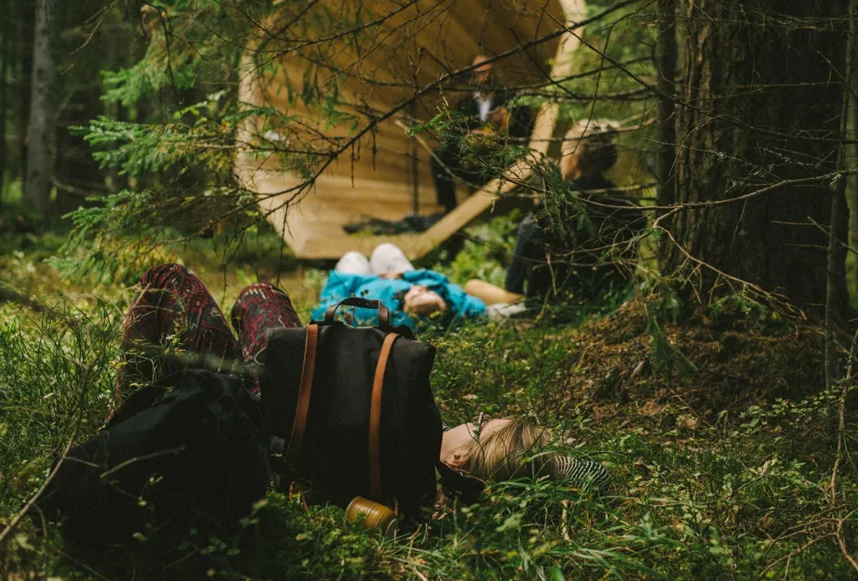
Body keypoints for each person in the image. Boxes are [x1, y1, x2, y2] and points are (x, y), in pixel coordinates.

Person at [114, 264, 606, 490]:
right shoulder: (420, 470)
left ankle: (121, 428)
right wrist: (553, 459)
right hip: (286, 384)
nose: (469, 418)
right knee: (260, 294)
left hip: (249, 406)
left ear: (458, 460)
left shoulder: (416, 462)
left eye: (478, 422)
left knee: (169, 280)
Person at [505, 119, 645, 302]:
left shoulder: (549, 211)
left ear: (575, 155)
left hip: (550, 309)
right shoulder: (628, 207)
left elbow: (512, 284)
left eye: (563, 150)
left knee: (473, 286)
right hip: (610, 301)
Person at [311, 242, 522, 329]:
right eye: (424, 290)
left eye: (417, 293)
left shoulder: (375, 314)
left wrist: (354, 285)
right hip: (394, 277)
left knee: (353, 257)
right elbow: (443, 283)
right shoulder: (454, 304)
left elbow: (326, 309)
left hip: (357, 284)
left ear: (407, 310)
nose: (420, 288)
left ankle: (359, 265)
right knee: (384, 249)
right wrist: (406, 276)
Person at [431, 52, 534, 213]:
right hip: (473, 154)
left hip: (502, 152)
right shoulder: (466, 104)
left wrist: (507, 123)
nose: (484, 77)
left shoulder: (509, 97)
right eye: (479, 73)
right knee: (439, 156)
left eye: (488, 72)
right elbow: (453, 133)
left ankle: (495, 210)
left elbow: (526, 127)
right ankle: (449, 208)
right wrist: (468, 137)